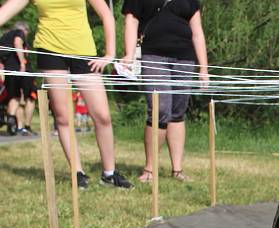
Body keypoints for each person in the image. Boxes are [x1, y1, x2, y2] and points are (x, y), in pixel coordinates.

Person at [0, 0, 133, 189]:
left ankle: (109, 173)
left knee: (102, 116)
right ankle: (77, 173)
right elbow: (5, 12)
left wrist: (110, 54)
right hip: (50, 51)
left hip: (83, 52)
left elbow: (107, 15)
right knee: (63, 117)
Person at [122, 0, 209, 184]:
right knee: (159, 110)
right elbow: (131, 21)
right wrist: (129, 54)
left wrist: (204, 68)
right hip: (153, 56)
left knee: (178, 112)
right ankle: (149, 169)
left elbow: (197, 32)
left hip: (184, 57)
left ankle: (177, 170)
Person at [0, 21, 28, 135]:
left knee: (10, 95)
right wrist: (22, 63)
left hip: (6, 67)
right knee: (16, 96)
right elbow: (17, 43)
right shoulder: (19, 32)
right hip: (15, 68)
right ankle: (11, 120)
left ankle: (10, 120)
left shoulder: (5, 35)